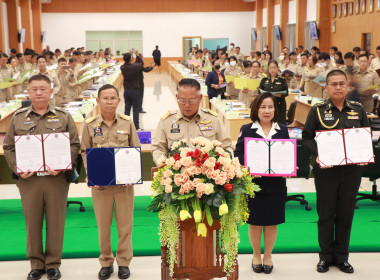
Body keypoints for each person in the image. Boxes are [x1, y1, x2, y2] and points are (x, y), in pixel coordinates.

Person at [3, 74, 80, 280]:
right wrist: (18, 168)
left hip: (56, 179)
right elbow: (9, 146)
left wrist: (64, 164)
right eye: (34, 89)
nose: (38, 92)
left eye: (43, 89)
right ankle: (36, 264)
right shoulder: (18, 118)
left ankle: (53, 264)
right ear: (28, 92)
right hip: (30, 180)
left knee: (56, 221)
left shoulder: (63, 116)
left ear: (51, 91)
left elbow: (75, 144)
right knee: (32, 222)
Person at [302, 69, 369, 274]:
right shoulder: (318, 110)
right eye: (334, 84)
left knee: (345, 214)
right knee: (326, 214)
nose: (338, 87)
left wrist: (363, 154)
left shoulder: (358, 109)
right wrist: (321, 153)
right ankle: (325, 256)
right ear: (326, 87)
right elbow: (306, 138)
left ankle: (342, 257)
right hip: (326, 170)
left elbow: (366, 135)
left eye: (342, 83)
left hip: (351, 172)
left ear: (347, 86)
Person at [81, 84, 140, 280]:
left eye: (112, 98)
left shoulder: (126, 122)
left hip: (124, 186)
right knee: (103, 226)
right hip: (101, 185)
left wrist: (132, 175)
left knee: (125, 226)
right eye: (104, 98)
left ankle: (123, 261)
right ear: (97, 101)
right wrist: (90, 174)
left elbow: (135, 148)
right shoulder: (89, 124)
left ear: (118, 100)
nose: (108, 102)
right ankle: (106, 261)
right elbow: (84, 151)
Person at [234, 92, 289, 275]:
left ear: (276, 109)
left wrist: (289, 166)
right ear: (256, 109)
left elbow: (286, 153)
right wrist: (245, 167)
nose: (267, 111)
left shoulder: (282, 129)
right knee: (255, 222)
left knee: (272, 222)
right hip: (253, 184)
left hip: (275, 184)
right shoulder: (247, 129)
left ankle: (268, 255)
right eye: (263, 107)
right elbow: (238, 154)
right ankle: (256, 254)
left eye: (270, 107)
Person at [151, 78, 233, 165]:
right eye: (182, 100)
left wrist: (221, 165)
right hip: (176, 175)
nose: (187, 105)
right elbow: (158, 148)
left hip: (207, 175)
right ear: (177, 97)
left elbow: (226, 146)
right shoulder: (167, 121)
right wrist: (164, 164)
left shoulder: (213, 120)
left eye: (191, 100)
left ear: (200, 98)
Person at [120, 52, 143, 130]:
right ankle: (136, 126)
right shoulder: (134, 67)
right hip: (135, 91)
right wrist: (137, 56)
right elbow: (141, 63)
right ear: (131, 58)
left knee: (127, 109)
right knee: (135, 110)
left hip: (126, 91)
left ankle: (126, 126)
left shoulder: (122, 67)